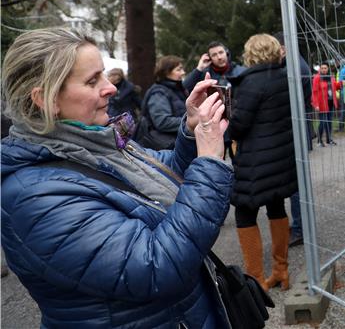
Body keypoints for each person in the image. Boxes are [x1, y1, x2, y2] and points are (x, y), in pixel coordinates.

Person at [1, 27, 231, 328]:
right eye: (92, 80)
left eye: (104, 75)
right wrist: (210, 162)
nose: (110, 88)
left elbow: (164, 176)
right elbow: (155, 268)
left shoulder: (94, 143)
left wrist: (191, 134)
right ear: (46, 99)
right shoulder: (33, 197)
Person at [228, 34, 306, 291]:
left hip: (255, 161)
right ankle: (281, 271)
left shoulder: (250, 82)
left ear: (250, 54)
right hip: (281, 156)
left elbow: (239, 126)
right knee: (276, 206)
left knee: (244, 211)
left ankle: (256, 279)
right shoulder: (287, 78)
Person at [273, 32, 312, 247]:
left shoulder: (293, 67)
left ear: (283, 48)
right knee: (298, 182)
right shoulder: (295, 63)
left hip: (294, 131)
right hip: (295, 129)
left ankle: (300, 229)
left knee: (296, 184)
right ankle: (300, 226)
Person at [183, 41, 245, 156]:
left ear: (227, 53)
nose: (219, 57)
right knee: (216, 161)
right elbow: (185, 88)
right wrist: (199, 68)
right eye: (214, 55)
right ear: (210, 58)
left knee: (238, 161)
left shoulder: (240, 71)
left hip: (236, 125)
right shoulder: (204, 74)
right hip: (215, 124)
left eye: (221, 52)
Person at [138, 56, 188, 149]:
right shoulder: (159, 93)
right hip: (165, 148)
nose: (183, 72)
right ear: (166, 72)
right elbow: (162, 122)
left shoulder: (176, 89)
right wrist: (190, 121)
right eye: (178, 70)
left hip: (176, 143)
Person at [312, 62, 342, 147]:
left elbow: (335, 86)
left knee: (329, 122)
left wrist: (341, 84)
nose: (324, 70)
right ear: (320, 69)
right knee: (323, 122)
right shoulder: (317, 78)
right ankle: (319, 140)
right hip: (322, 104)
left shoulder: (331, 77)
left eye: (325, 68)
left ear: (328, 69)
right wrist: (316, 104)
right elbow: (315, 92)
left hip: (331, 102)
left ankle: (329, 140)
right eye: (322, 68)